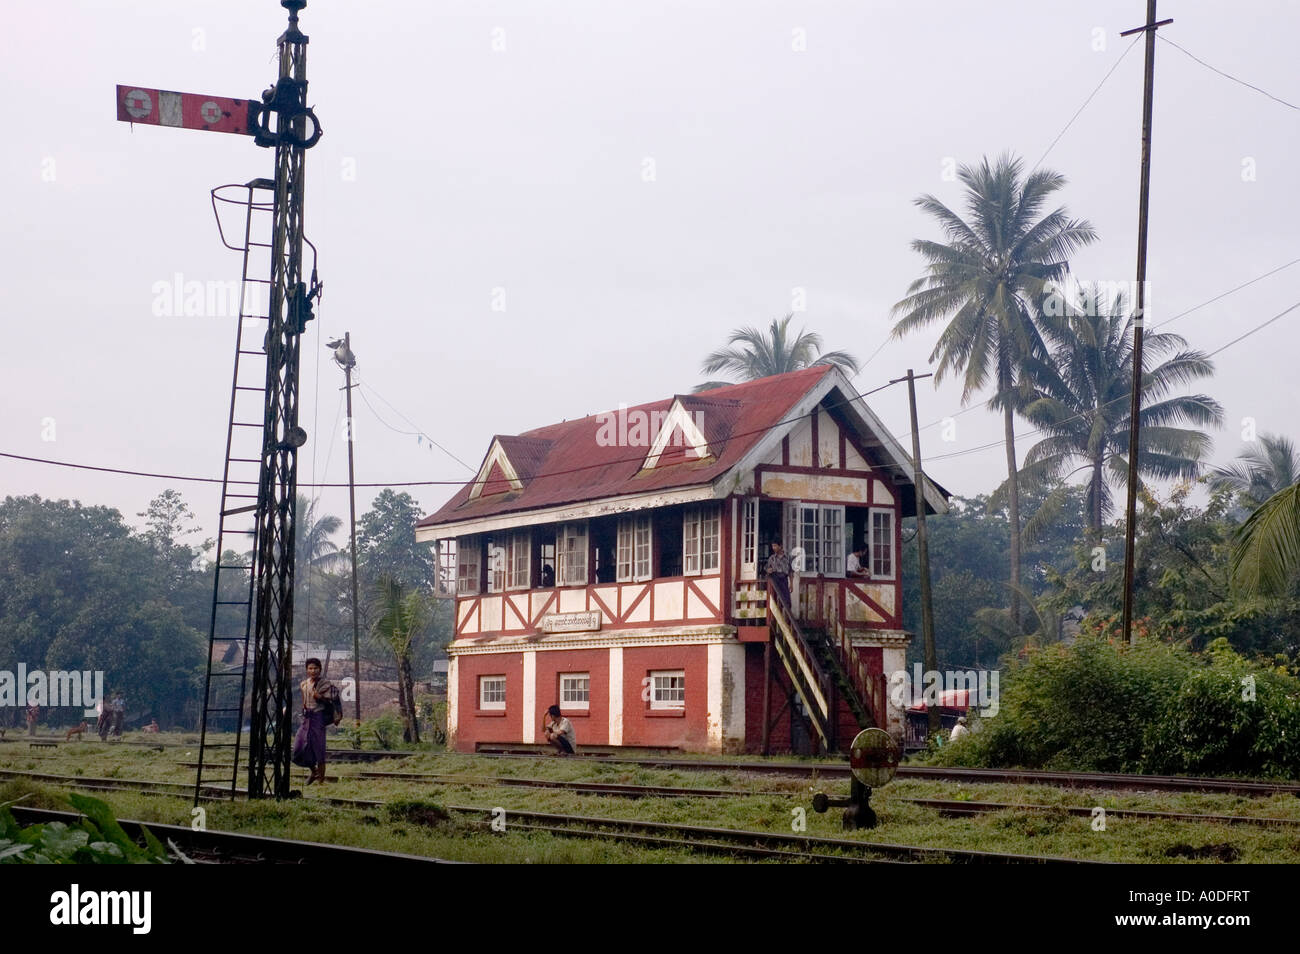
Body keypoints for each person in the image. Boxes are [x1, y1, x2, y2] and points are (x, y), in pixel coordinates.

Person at [292, 658, 334, 784]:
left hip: (318, 717)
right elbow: (304, 700)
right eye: (310, 668)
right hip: (307, 718)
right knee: (299, 745)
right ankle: (314, 771)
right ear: (306, 670)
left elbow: (331, 700)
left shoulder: (325, 683)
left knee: (319, 748)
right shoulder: (304, 684)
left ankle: (321, 781)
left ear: (320, 669)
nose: (313, 671)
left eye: (315, 668)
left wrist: (319, 697)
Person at [765, 540, 792, 609]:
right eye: (772, 546)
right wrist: (768, 570)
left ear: (780, 546)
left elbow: (790, 572)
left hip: (784, 580)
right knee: (774, 599)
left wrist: (791, 584)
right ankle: (774, 618)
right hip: (775, 580)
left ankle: (786, 617)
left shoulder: (788, 558)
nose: (773, 548)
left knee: (786, 600)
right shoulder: (772, 558)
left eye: (775, 546)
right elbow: (767, 569)